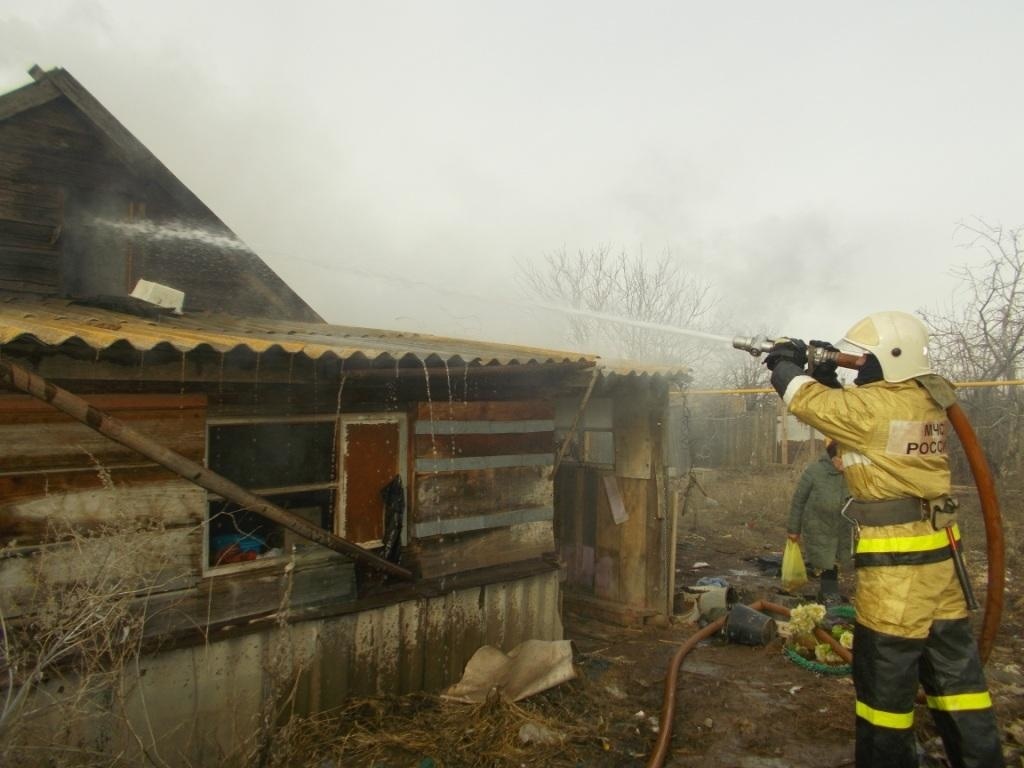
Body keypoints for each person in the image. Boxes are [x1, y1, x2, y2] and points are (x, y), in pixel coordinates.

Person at [764, 311, 1003, 768]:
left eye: (868, 356)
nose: (863, 364)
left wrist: (784, 363)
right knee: (958, 685)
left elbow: (809, 403)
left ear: (892, 357)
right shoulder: (920, 399)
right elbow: (855, 424)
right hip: (941, 570)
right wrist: (827, 373)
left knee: (883, 696)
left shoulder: (875, 409)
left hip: (898, 575)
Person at [787, 440, 850, 604]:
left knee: (838, 559)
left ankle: (828, 593)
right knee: (827, 561)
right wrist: (794, 529)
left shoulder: (854, 474)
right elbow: (798, 501)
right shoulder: (814, 472)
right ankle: (829, 594)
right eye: (842, 459)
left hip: (843, 528)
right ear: (832, 458)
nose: (846, 463)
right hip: (818, 525)